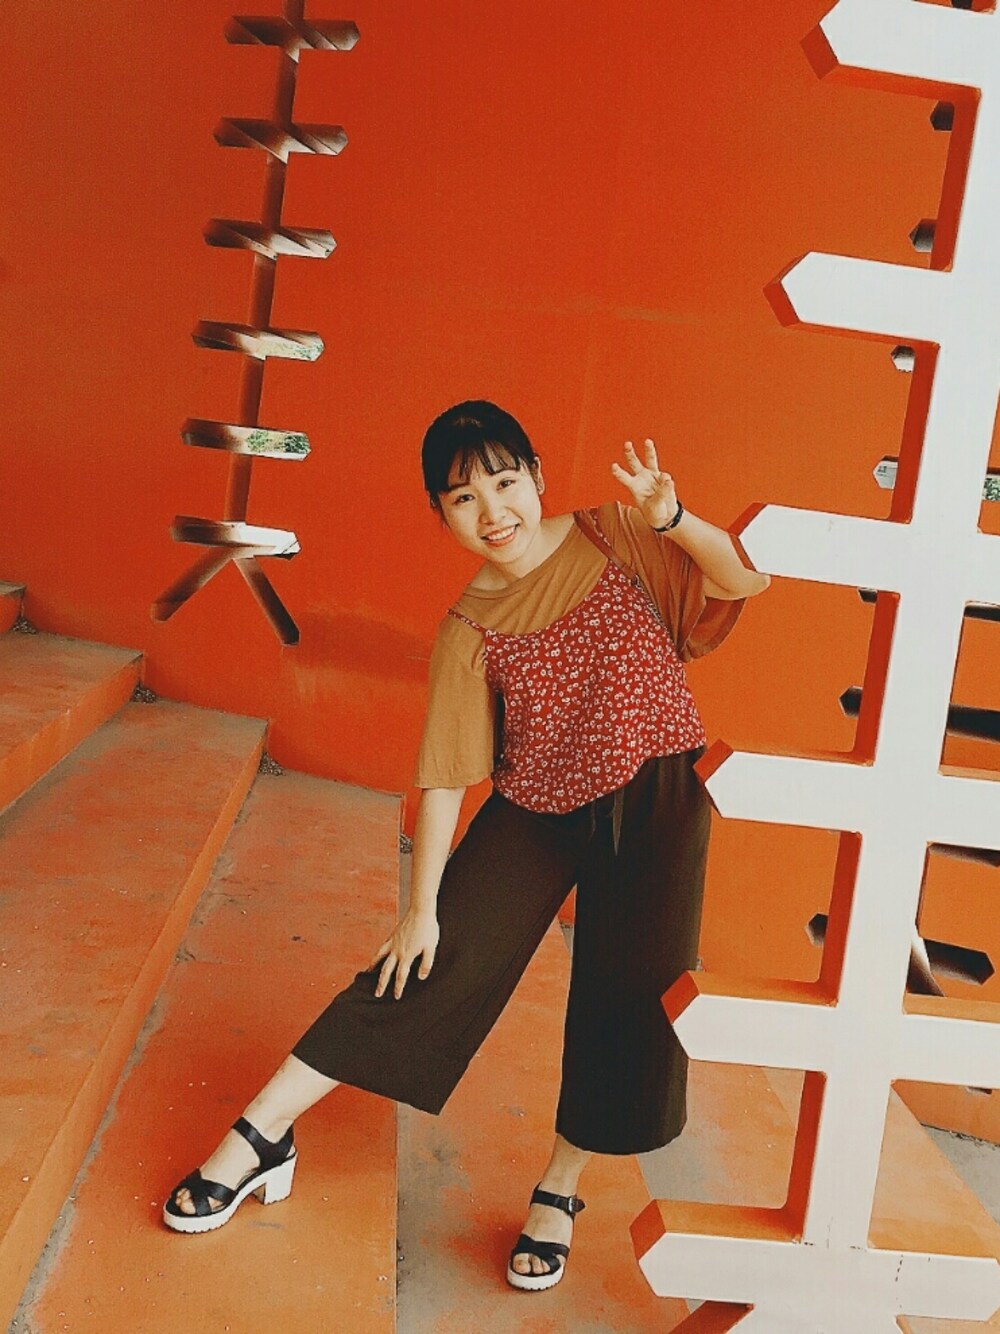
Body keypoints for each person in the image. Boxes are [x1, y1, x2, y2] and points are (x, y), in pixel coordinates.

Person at [162, 400, 769, 1292]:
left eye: (505, 482)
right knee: (427, 960)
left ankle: (559, 1189)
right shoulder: (468, 626)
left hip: (658, 799)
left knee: (628, 1000)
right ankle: (261, 1133)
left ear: (537, 476)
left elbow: (740, 580)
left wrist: (672, 517)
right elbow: (447, 772)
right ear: (439, 513)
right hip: (536, 809)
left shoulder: (615, 535)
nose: (493, 512)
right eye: (462, 498)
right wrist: (421, 909)